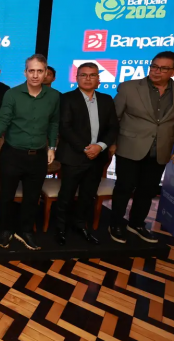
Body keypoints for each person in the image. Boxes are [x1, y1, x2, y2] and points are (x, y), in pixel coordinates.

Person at [109, 51, 174, 244]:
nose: (156, 71)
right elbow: (114, 118)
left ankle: (136, 224)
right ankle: (116, 224)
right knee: (124, 187)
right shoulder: (129, 87)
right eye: (154, 66)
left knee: (147, 190)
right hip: (130, 147)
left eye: (163, 68)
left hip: (160, 149)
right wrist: (111, 143)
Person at [0, 54, 60, 251]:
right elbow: (4, 120)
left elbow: (54, 123)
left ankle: (26, 231)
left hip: (38, 155)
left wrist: (52, 147)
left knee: (32, 196)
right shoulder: (12, 94)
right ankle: (5, 230)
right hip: (12, 154)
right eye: (31, 71)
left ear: (46, 73)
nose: (35, 75)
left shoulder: (54, 96)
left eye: (39, 71)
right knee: (7, 196)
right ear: (25, 72)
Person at [54, 63, 118, 246]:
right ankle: (60, 228)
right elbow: (65, 127)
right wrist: (86, 148)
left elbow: (113, 127)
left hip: (97, 157)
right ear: (77, 78)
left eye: (92, 75)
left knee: (88, 195)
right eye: (83, 75)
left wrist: (100, 147)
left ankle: (80, 225)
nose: (88, 78)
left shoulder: (106, 99)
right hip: (73, 156)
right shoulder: (66, 98)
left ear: (98, 79)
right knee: (66, 195)